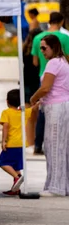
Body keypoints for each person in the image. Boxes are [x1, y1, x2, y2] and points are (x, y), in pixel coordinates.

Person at [30, 35, 69, 197]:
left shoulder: (53, 63)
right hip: (62, 106)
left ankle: (55, 187)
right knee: (62, 148)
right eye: (41, 48)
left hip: (56, 109)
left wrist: (33, 98)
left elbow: (46, 87)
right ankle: (61, 185)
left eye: (44, 48)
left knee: (53, 147)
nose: (42, 51)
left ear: (53, 47)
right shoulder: (64, 62)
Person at [31, 12, 69, 154]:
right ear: (61, 22)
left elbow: (35, 62)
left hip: (44, 77)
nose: (42, 51)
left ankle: (37, 145)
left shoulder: (37, 38)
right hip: (61, 82)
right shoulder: (65, 38)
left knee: (43, 118)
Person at [0, 89, 38, 196]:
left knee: (2, 162)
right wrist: (38, 101)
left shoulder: (6, 112)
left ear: (7, 101)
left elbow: (5, 126)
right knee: (16, 166)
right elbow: (34, 108)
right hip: (21, 143)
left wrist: (3, 141)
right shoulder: (24, 112)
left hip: (12, 143)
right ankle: (15, 189)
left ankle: (17, 178)